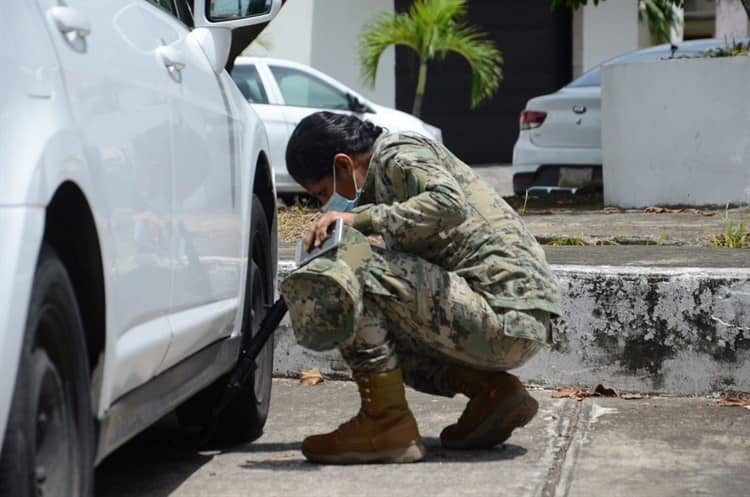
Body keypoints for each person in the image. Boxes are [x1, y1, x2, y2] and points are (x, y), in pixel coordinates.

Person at [280, 111, 561, 465]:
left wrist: (358, 221)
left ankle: (385, 424)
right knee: (385, 335)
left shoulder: (396, 150)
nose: (325, 205)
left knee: (349, 267)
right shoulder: (383, 181)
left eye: (322, 193)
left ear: (343, 164)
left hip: (501, 310)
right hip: (512, 320)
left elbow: (449, 203)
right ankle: (493, 393)